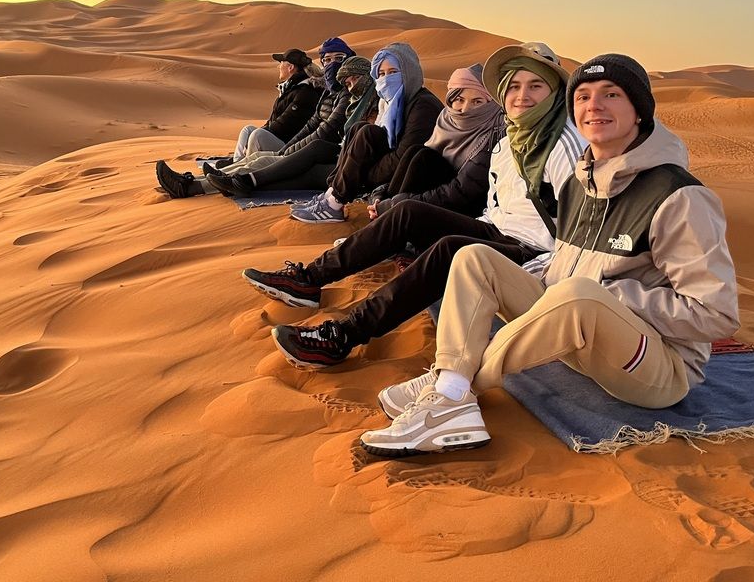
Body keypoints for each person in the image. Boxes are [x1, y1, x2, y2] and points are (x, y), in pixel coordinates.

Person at [359, 53, 740, 458]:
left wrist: (612, 296)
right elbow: (568, 266)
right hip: (580, 340)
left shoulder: (679, 197)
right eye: (584, 96)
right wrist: (556, 281)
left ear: (639, 112)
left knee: (580, 293)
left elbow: (716, 313)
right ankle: (451, 379)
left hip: (656, 368)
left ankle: (453, 389)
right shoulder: (579, 184)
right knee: (475, 260)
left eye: (611, 94)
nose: (594, 105)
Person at [246, 42, 585, 368]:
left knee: (450, 249)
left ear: (556, 91)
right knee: (408, 213)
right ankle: (310, 278)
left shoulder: (566, 146)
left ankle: (343, 336)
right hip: (498, 229)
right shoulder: (509, 141)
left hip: (538, 255)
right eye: (513, 86)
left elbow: (580, 238)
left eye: (535, 85)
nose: (522, 96)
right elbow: (495, 207)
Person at [288, 42, 444, 223]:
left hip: (415, 175)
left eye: (393, 72)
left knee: (362, 135)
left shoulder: (423, 105)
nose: (386, 79)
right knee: (361, 129)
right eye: (381, 74)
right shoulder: (389, 103)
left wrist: (364, 174)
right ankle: (332, 196)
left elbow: (404, 156)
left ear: (410, 72)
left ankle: (334, 202)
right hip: (391, 167)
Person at [155, 47, 321, 198]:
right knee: (250, 133)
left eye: (281, 63)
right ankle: (209, 176)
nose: (278, 66)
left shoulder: (304, 92)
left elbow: (287, 125)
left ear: (290, 67)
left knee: (258, 143)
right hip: (295, 147)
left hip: (292, 145)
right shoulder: (291, 88)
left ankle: (198, 185)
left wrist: (272, 137)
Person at [204, 54, 380, 196]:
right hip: (326, 154)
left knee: (266, 152)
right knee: (260, 153)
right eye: (326, 59)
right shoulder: (340, 98)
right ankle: (217, 180)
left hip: (347, 164)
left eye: (337, 58)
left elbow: (322, 130)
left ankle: (235, 180)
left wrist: (289, 151)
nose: (351, 87)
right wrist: (289, 150)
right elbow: (310, 126)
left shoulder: (308, 92)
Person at [367, 64, 504, 220]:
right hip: (437, 197)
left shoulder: (494, 134)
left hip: (465, 208)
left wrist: (395, 204)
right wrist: (383, 194)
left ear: (491, 104)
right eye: (459, 99)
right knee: (419, 153)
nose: (465, 109)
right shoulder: (446, 120)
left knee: (424, 157)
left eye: (477, 101)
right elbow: (414, 167)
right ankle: (386, 219)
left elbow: (459, 192)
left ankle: (390, 222)